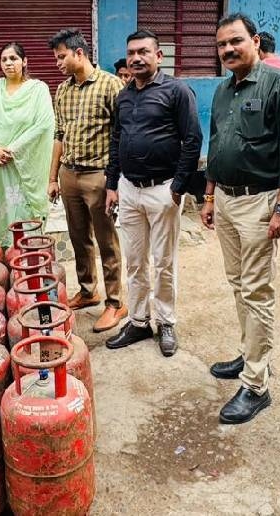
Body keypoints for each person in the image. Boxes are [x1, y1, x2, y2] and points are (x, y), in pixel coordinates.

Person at [200, 13, 280, 424]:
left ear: (256, 41)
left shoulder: (279, 84)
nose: (228, 49)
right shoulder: (224, 89)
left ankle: (256, 385)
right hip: (226, 200)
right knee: (238, 284)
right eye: (221, 45)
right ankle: (250, 355)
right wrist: (209, 196)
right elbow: (217, 144)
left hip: (260, 202)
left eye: (235, 41)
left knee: (257, 290)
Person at [104, 30, 202, 356]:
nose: (136, 58)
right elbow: (116, 140)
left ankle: (166, 322)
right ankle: (138, 321)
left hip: (163, 191)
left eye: (143, 52)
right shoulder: (124, 95)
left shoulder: (177, 91)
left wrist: (178, 187)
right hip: (129, 190)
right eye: (131, 52)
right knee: (134, 262)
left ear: (159, 56)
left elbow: (193, 139)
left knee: (163, 262)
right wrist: (112, 184)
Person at [47, 28, 127, 332]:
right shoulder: (62, 90)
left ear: (79, 53)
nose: (58, 63)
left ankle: (115, 302)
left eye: (61, 57)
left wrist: (114, 180)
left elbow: (121, 134)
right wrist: (53, 177)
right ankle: (88, 290)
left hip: (98, 175)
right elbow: (59, 135)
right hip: (69, 174)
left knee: (107, 241)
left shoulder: (111, 85)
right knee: (78, 237)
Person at [0, 42, 54, 247]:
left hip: (23, 166)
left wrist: (10, 150)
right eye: (4, 59)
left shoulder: (38, 90)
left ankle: (29, 256)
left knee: (25, 214)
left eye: (13, 58)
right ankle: (4, 256)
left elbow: (43, 124)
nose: (8, 63)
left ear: (24, 62)